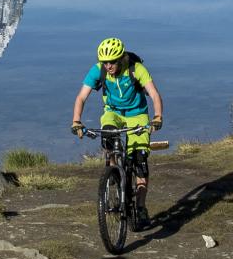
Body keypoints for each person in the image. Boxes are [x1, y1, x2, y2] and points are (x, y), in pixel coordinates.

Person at [71, 37, 165, 230]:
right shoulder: (98, 70)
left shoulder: (136, 69)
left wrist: (157, 117)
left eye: (112, 62)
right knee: (108, 135)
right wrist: (76, 121)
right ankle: (113, 170)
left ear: (121, 58)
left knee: (139, 159)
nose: (108, 66)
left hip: (137, 114)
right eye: (105, 62)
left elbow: (155, 94)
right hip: (112, 112)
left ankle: (140, 207)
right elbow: (81, 97)